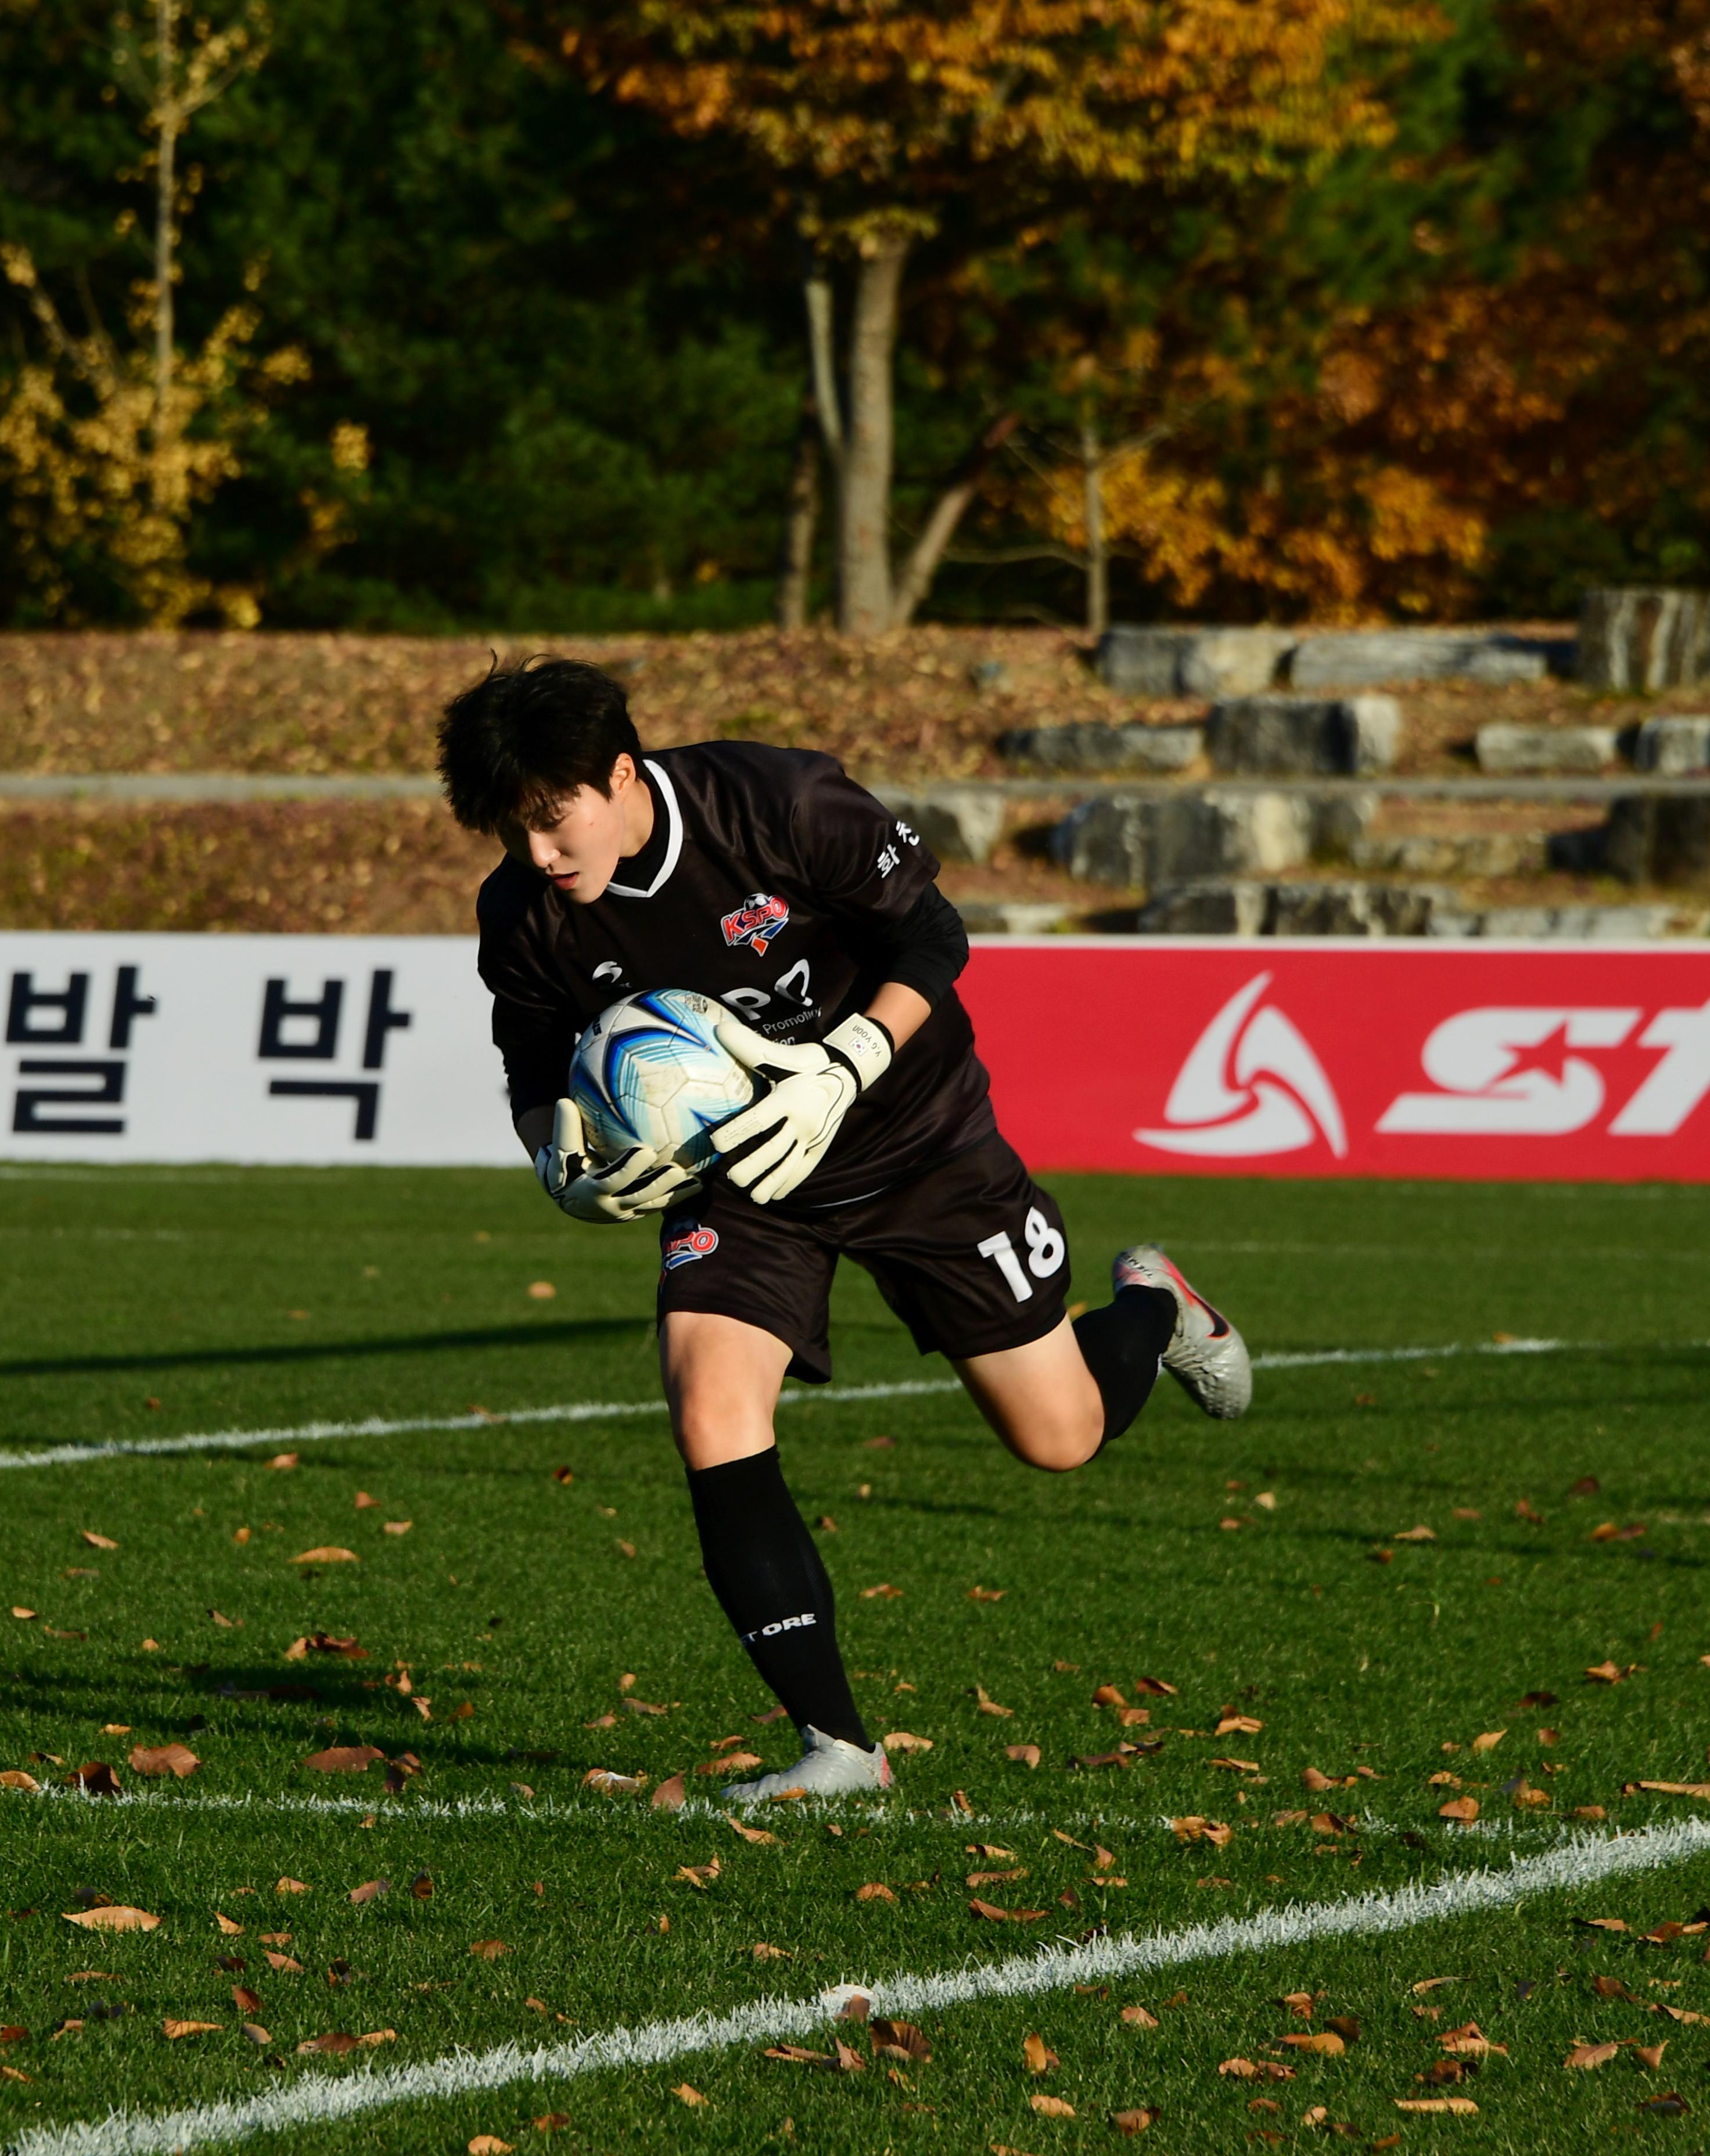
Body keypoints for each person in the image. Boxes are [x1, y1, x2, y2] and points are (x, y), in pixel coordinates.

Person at [447, 655, 1253, 1804]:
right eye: (510, 831)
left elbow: (933, 935)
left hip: (914, 1136)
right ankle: (838, 1746)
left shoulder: (779, 803)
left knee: (1060, 1434)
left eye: (549, 819)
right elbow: (536, 1066)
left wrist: (848, 1062)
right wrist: (563, 1161)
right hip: (744, 1177)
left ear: (620, 771)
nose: (537, 855)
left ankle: (1156, 1306)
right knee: (709, 1399)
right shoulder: (523, 916)